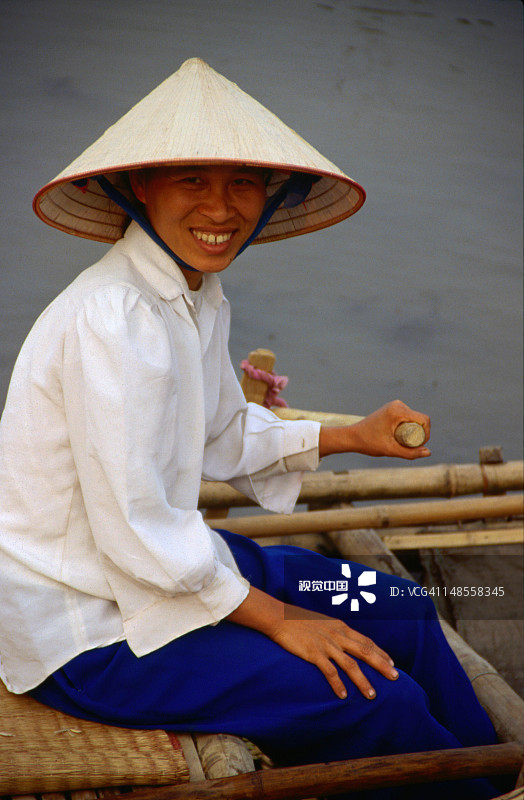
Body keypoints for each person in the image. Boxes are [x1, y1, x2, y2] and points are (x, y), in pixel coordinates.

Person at [0, 59, 502, 798]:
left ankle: (497, 780)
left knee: (400, 609)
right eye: (192, 180)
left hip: (174, 571)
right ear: (140, 185)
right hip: (92, 629)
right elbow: (137, 530)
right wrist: (282, 620)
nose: (221, 206)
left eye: (241, 182)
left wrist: (351, 437)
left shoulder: (194, 293)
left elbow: (223, 433)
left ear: (268, 194)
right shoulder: (113, 318)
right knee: (376, 695)